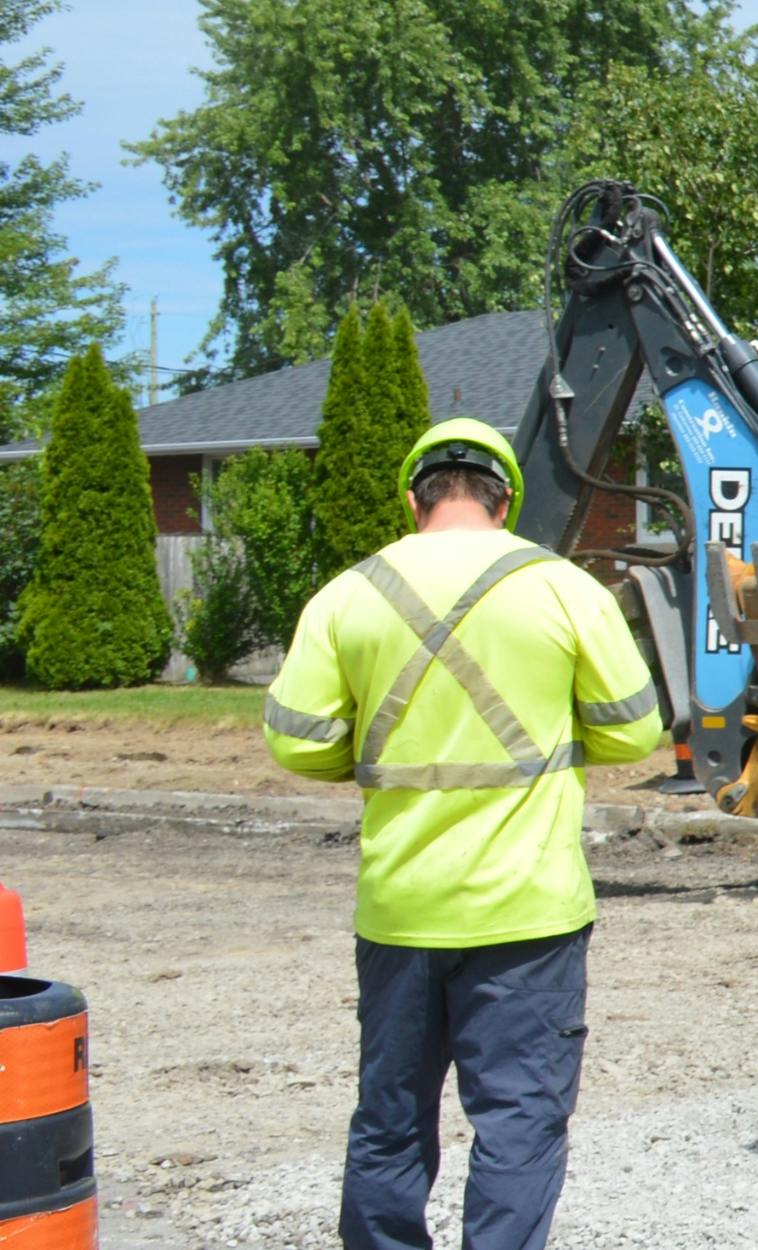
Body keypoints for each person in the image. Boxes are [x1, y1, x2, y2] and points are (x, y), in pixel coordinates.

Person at [262, 418, 666, 1250]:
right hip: (529, 911)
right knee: (518, 1122)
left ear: (413, 498)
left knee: (390, 1118)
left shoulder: (348, 595)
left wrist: (379, 757)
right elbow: (634, 732)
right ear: (506, 499)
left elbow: (296, 741)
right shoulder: (565, 589)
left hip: (401, 908)